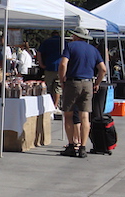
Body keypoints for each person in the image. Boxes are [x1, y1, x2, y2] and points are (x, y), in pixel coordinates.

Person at [58, 26, 107, 158]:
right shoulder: (93, 50)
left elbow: (63, 64)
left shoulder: (70, 47)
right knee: (84, 116)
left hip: (73, 82)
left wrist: (62, 80)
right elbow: (103, 69)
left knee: (68, 114)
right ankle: (83, 147)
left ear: (76, 36)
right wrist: (97, 83)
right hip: (88, 83)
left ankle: (71, 145)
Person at [37, 30, 64, 110]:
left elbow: (39, 53)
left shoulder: (46, 41)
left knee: (48, 87)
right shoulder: (63, 42)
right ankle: (55, 105)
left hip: (49, 67)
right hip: (60, 68)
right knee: (58, 88)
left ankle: (47, 105)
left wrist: (41, 64)